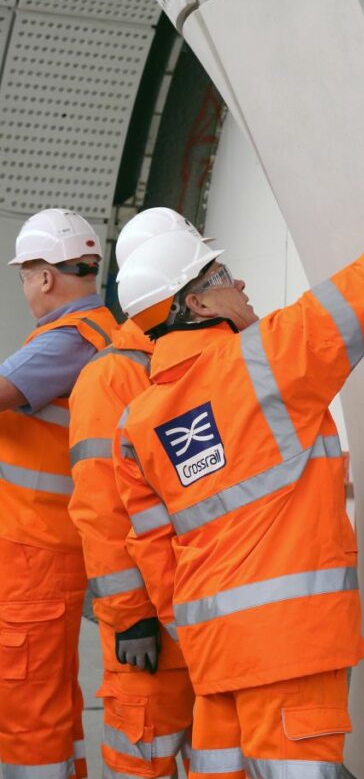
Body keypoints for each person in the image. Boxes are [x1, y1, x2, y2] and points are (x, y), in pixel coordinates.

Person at [111, 166, 364, 777]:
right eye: (221, 276)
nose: (242, 283)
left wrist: (211, 633)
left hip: (215, 661)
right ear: (193, 304)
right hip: (293, 652)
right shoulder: (269, 360)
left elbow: (152, 550)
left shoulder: (135, 426)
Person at [67, 209, 204, 779]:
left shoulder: (193, 359)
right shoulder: (113, 376)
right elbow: (101, 510)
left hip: (203, 616)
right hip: (150, 633)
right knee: (142, 758)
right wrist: (130, 621)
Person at [0, 209, 119, 779]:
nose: (25, 288)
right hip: (42, 550)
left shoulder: (69, 341)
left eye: (24, 275)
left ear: (44, 276)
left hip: (35, 555)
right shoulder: (92, 333)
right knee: (52, 700)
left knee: (28, 709)